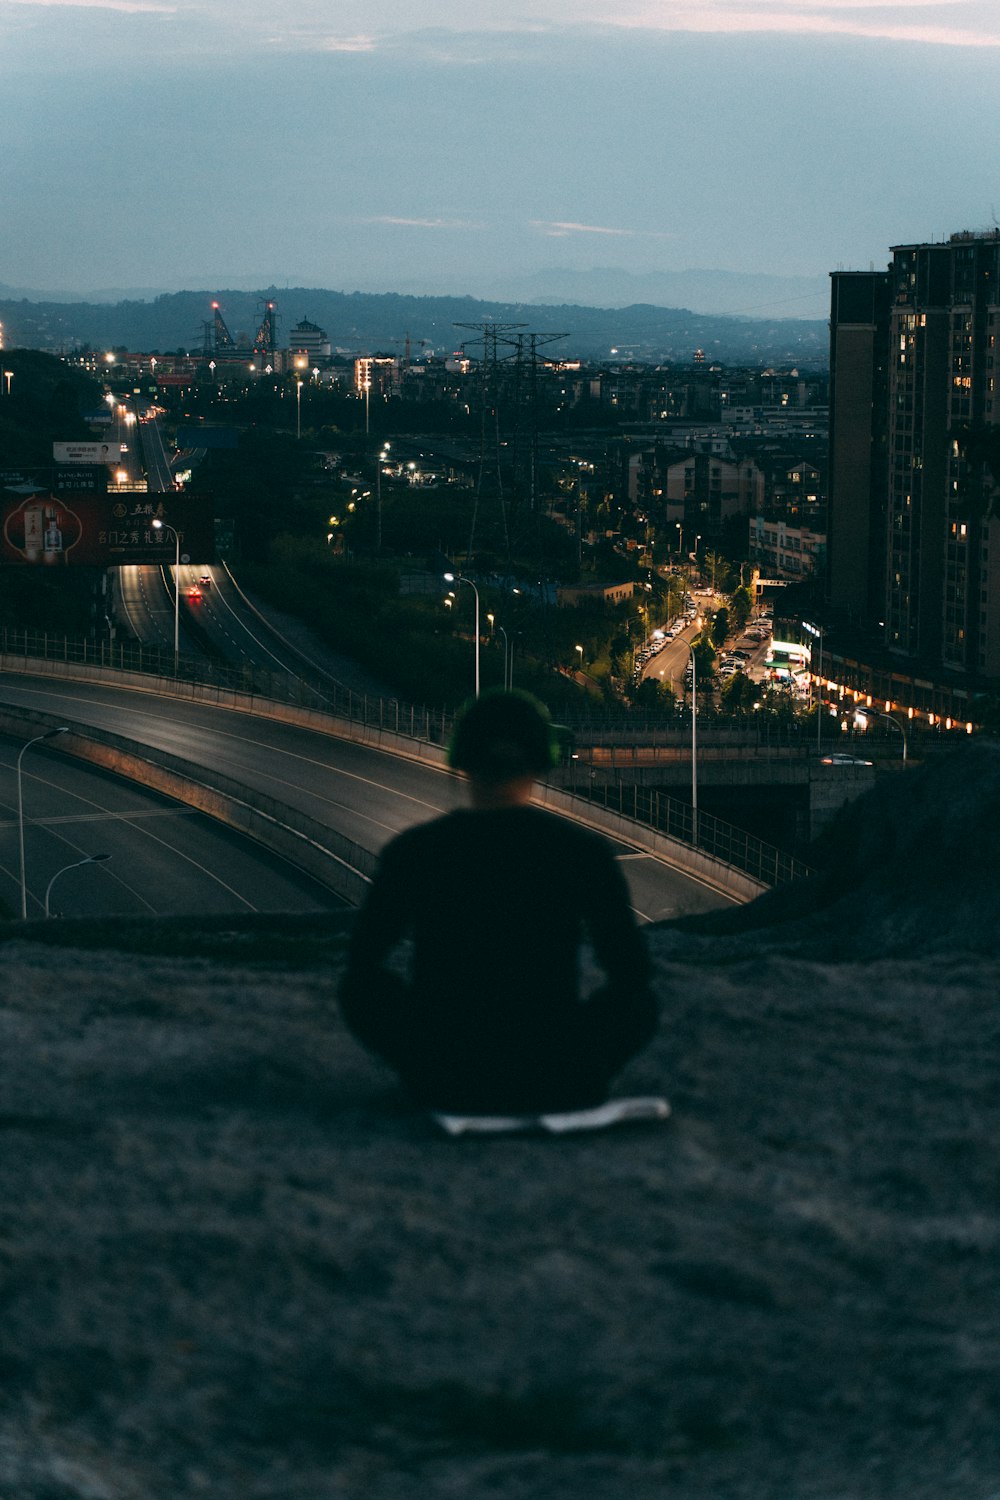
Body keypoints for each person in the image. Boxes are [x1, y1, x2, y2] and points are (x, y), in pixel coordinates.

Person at [339, 689, 657, 1114]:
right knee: (640, 1002)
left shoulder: (417, 850)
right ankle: (572, 1080)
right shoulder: (580, 852)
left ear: (461, 761)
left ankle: (435, 1078)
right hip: (551, 1063)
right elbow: (630, 971)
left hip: (446, 1064)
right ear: (541, 761)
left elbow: (364, 960)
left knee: (359, 988)